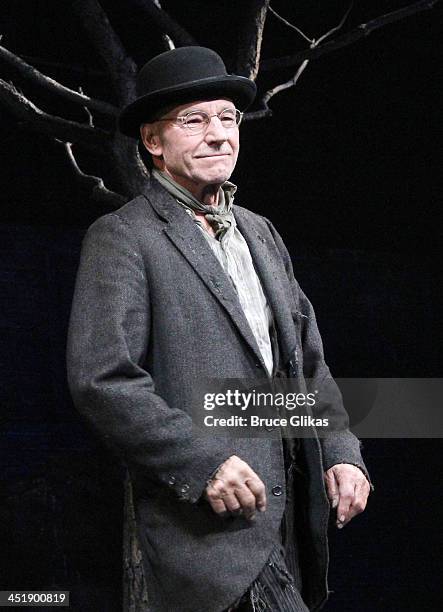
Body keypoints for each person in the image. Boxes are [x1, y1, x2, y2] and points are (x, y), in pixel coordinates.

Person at [66, 46, 372, 612]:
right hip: (209, 539)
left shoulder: (260, 233)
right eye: (195, 120)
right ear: (153, 143)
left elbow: (304, 362)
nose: (218, 134)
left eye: (228, 118)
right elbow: (102, 381)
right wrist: (200, 462)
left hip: (291, 521)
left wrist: (340, 450)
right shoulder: (124, 237)